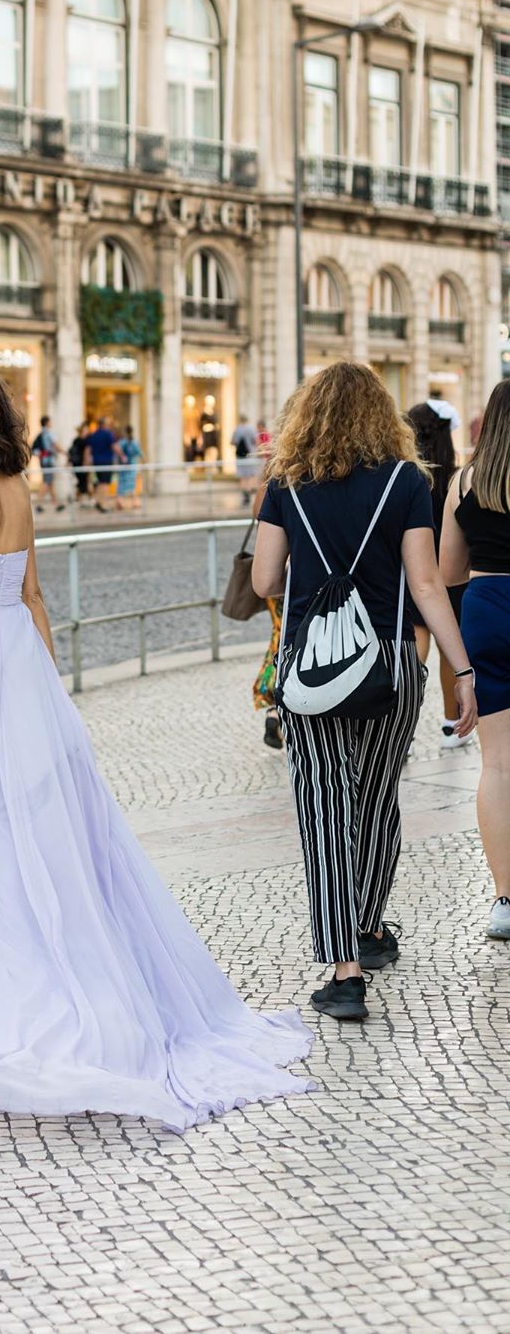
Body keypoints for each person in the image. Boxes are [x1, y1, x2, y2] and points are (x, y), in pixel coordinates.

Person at [0, 355, 314, 1136]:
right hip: (19, 666)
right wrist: (49, 693)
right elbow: (32, 595)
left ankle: (9, 1000)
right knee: (43, 836)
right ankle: (56, 977)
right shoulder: (16, 482)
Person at [252, 362, 476, 1022]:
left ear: (308, 415)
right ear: (383, 416)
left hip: (314, 668)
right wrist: (462, 672)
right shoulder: (408, 481)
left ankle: (345, 970)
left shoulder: (285, 483)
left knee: (326, 809)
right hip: (391, 661)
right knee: (377, 801)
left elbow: (265, 576)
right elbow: (429, 585)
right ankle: (371, 928)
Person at [438, 379, 510, 940]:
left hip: (487, 607)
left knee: (499, 765)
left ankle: (504, 900)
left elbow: (447, 573)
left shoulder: (466, 480)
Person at [405, 401, 468, 748]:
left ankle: (404, 727)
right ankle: (451, 723)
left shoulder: (408, 474)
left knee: (414, 644)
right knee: (450, 649)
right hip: (453, 574)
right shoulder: (456, 476)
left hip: (413, 571)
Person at [250, 473, 284, 750]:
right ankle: (278, 706)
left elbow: (256, 513)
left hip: (273, 567)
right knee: (291, 638)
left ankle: (273, 706)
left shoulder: (274, 473)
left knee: (279, 635)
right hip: (294, 574)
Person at [89, 417, 121, 513]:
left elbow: (89, 448)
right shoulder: (108, 434)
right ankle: (103, 505)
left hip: (96, 461)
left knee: (100, 482)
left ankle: (98, 502)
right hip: (106, 461)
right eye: (107, 423)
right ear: (104, 424)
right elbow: (114, 446)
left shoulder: (94, 434)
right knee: (105, 483)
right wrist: (122, 456)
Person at [30, 415, 61, 512]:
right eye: (50, 421)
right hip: (49, 461)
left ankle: (56, 504)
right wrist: (65, 453)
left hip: (43, 461)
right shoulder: (49, 433)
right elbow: (56, 445)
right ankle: (38, 504)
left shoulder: (41, 434)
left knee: (50, 482)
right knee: (47, 482)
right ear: (47, 422)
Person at [232, 414, 260, 505]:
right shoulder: (251, 429)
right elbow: (256, 441)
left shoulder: (237, 429)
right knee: (251, 475)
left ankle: (245, 494)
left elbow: (233, 442)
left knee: (243, 476)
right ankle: (249, 490)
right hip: (250, 455)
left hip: (240, 456)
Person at [116, 426, 142, 511]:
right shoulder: (135, 442)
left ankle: (120, 500)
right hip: (131, 465)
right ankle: (134, 501)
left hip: (123, 466)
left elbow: (117, 452)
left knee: (122, 483)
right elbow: (139, 453)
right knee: (131, 484)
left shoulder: (122, 442)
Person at [68, 422, 91, 503]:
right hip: (80, 464)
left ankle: (78, 498)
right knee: (82, 482)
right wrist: (86, 462)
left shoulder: (79, 440)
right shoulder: (82, 440)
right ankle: (81, 499)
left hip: (78, 463)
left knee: (82, 482)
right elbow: (73, 452)